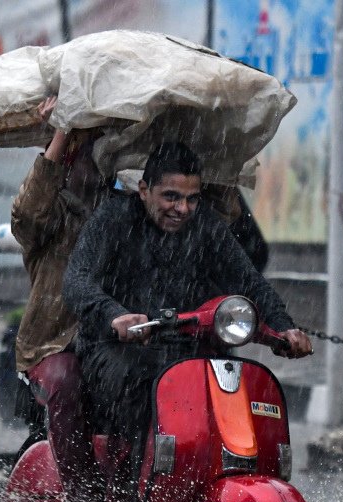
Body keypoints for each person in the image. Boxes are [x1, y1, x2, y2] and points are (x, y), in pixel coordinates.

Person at [63, 142, 312, 482]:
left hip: (190, 351)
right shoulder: (113, 219)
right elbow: (76, 281)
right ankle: (139, 500)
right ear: (144, 190)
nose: (182, 209)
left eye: (191, 199)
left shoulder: (205, 225)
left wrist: (284, 328)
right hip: (115, 351)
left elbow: (249, 282)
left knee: (236, 389)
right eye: (170, 197)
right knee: (149, 391)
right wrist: (115, 315)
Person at [10, 97, 113, 502]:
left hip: (113, 344)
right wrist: (62, 131)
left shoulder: (124, 210)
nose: (98, 163)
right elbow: (25, 217)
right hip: (52, 346)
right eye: (90, 152)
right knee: (68, 382)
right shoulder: (51, 217)